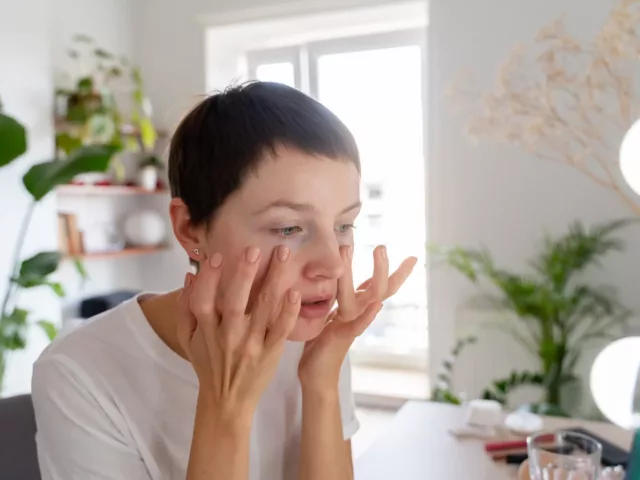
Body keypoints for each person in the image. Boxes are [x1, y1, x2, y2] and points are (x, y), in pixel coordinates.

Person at [31, 81, 417, 480]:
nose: (333, 266)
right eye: (288, 228)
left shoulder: (313, 339)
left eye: (343, 225)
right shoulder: (78, 373)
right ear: (190, 229)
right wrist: (225, 406)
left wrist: (321, 381)